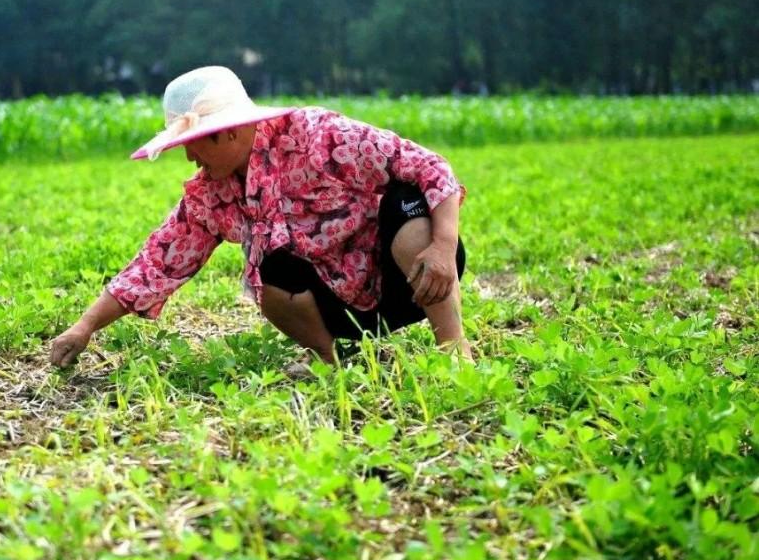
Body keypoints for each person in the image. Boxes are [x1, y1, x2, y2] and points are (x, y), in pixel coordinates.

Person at [48, 66, 470, 378]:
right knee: (273, 268)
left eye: (192, 145)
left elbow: (430, 168)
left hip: (410, 280)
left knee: (406, 201)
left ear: (228, 133)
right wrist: (84, 327)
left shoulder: (319, 134)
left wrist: (443, 247)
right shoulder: (211, 194)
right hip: (334, 310)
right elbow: (158, 263)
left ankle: (454, 350)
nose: (190, 158)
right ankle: (328, 359)